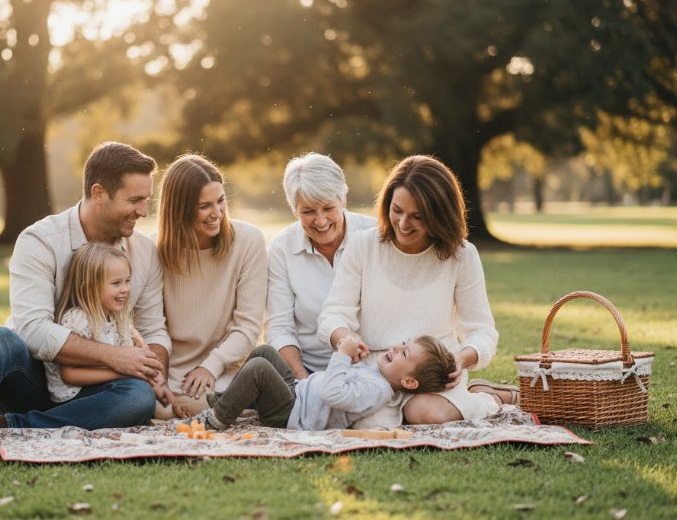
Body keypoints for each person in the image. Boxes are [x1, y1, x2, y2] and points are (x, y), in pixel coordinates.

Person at [0, 142, 172, 454]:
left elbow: (154, 329)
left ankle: (12, 426)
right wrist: (115, 356)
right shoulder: (41, 241)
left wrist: (153, 373)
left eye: (146, 200)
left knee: (139, 397)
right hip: (31, 380)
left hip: (96, 391)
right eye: (135, 201)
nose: (144, 212)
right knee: (0, 338)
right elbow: (33, 329)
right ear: (99, 194)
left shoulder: (145, 253)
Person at [317, 154, 517, 426]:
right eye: (396, 210)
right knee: (371, 425)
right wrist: (344, 340)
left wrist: (461, 359)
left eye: (417, 216)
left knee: (423, 414)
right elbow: (333, 313)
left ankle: (487, 398)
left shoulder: (462, 255)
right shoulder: (364, 245)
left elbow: (482, 331)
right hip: (374, 372)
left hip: (431, 378)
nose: (402, 224)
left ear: (439, 215)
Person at [156, 154, 268, 416]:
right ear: (179, 209)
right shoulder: (153, 251)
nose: (217, 214)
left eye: (220, 201)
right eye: (204, 206)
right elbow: (150, 326)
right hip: (172, 372)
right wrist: (160, 380)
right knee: (156, 408)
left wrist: (211, 365)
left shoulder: (248, 241)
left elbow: (248, 326)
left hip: (224, 368)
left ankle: (216, 405)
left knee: (241, 387)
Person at [180, 335, 455, 431]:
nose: (397, 347)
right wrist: (354, 358)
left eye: (404, 353)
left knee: (259, 368)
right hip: (299, 394)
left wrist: (342, 356)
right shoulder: (379, 377)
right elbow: (346, 382)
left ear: (408, 381)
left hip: (293, 415)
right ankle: (223, 402)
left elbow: (333, 393)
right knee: (265, 352)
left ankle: (215, 421)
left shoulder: (378, 392)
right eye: (404, 343)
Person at [265, 153, 376, 379]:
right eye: (307, 211)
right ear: (294, 209)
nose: (321, 221)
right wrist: (304, 383)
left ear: (343, 199)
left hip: (372, 368)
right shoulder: (281, 248)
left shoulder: (375, 236)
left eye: (328, 208)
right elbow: (280, 328)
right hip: (309, 370)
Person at [45, 243, 170, 404]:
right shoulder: (77, 319)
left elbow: (135, 362)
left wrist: (158, 385)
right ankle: (32, 421)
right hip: (73, 397)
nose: (125, 289)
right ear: (88, 287)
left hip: (103, 388)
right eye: (116, 283)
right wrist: (124, 372)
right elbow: (69, 375)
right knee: (137, 396)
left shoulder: (118, 318)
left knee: (141, 395)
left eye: (127, 281)